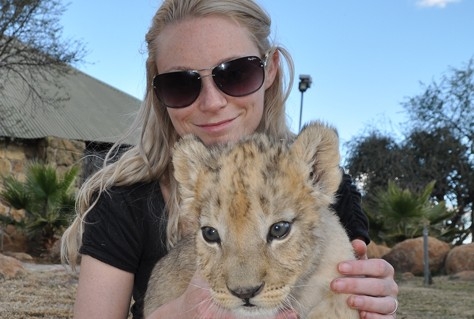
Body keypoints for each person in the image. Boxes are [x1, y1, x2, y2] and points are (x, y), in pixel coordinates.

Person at [61, 0, 399, 318]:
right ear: (157, 91)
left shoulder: (312, 184)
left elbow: (352, 290)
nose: (212, 102)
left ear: (270, 70)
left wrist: (370, 302)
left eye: (236, 73)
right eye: (181, 83)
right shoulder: (123, 201)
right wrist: (184, 311)